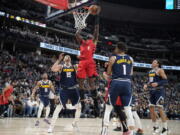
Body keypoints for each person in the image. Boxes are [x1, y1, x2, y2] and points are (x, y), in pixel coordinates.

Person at [105, 42, 135, 135]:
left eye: (115, 48)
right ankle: (131, 132)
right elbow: (131, 73)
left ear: (118, 48)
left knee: (108, 108)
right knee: (128, 109)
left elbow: (109, 73)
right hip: (127, 83)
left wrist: (109, 67)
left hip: (117, 82)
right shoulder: (131, 58)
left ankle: (104, 131)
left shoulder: (113, 58)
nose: (114, 49)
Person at [48, 54, 81, 133]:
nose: (67, 57)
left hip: (73, 89)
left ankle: (75, 123)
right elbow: (52, 69)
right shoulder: (61, 67)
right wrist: (58, 60)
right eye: (66, 57)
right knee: (58, 108)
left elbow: (83, 66)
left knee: (79, 106)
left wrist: (82, 58)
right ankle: (51, 127)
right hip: (64, 90)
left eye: (69, 56)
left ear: (70, 59)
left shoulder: (75, 66)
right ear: (64, 60)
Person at [75, 15, 99, 116]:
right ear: (89, 37)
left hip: (89, 62)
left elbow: (96, 33)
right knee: (82, 83)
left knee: (90, 84)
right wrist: (80, 27)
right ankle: (83, 102)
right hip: (84, 62)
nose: (92, 36)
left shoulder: (92, 42)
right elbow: (76, 34)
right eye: (91, 35)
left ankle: (96, 105)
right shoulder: (83, 42)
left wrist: (97, 24)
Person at [143, 59, 168, 135]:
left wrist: (158, 83)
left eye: (154, 62)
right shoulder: (151, 71)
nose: (152, 63)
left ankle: (165, 128)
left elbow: (165, 80)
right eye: (152, 61)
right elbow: (150, 82)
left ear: (157, 64)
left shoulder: (160, 70)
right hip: (152, 91)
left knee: (160, 109)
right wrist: (146, 84)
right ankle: (156, 127)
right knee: (151, 109)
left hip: (159, 91)